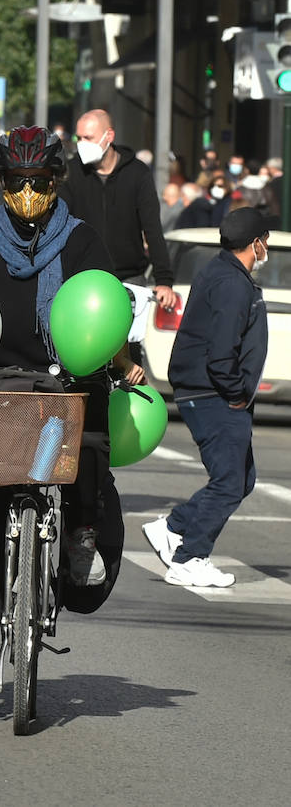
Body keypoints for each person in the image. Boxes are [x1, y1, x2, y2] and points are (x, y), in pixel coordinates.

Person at [0, 126, 138, 689]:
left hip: (65, 386)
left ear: (56, 182)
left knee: (88, 450)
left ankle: (81, 533)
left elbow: (104, 309)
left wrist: (124, 361)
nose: (28, 192)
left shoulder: (83, 241)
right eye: (16, 181)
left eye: (39, 181)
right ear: (2, 182)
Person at [142, 208, 269, 589]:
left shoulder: (220, 271)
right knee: (229, 482)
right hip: (213, 393)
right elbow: (222, 349)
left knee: (242, 478)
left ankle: (173, 527)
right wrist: (235, 391)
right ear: (255, 244)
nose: (266, 250)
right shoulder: (232, 284)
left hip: (208, 390)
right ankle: (189, 558)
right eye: (265, 242)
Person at [59, 110, 177, 318]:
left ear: (109, 136)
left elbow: (152, 228)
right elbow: (59, 224)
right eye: (79, 138)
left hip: (129, 280)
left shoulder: (138, 173)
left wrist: (164, 281)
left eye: (88, 137)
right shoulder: (71, 172)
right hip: (82, 278)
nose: (82, 144)